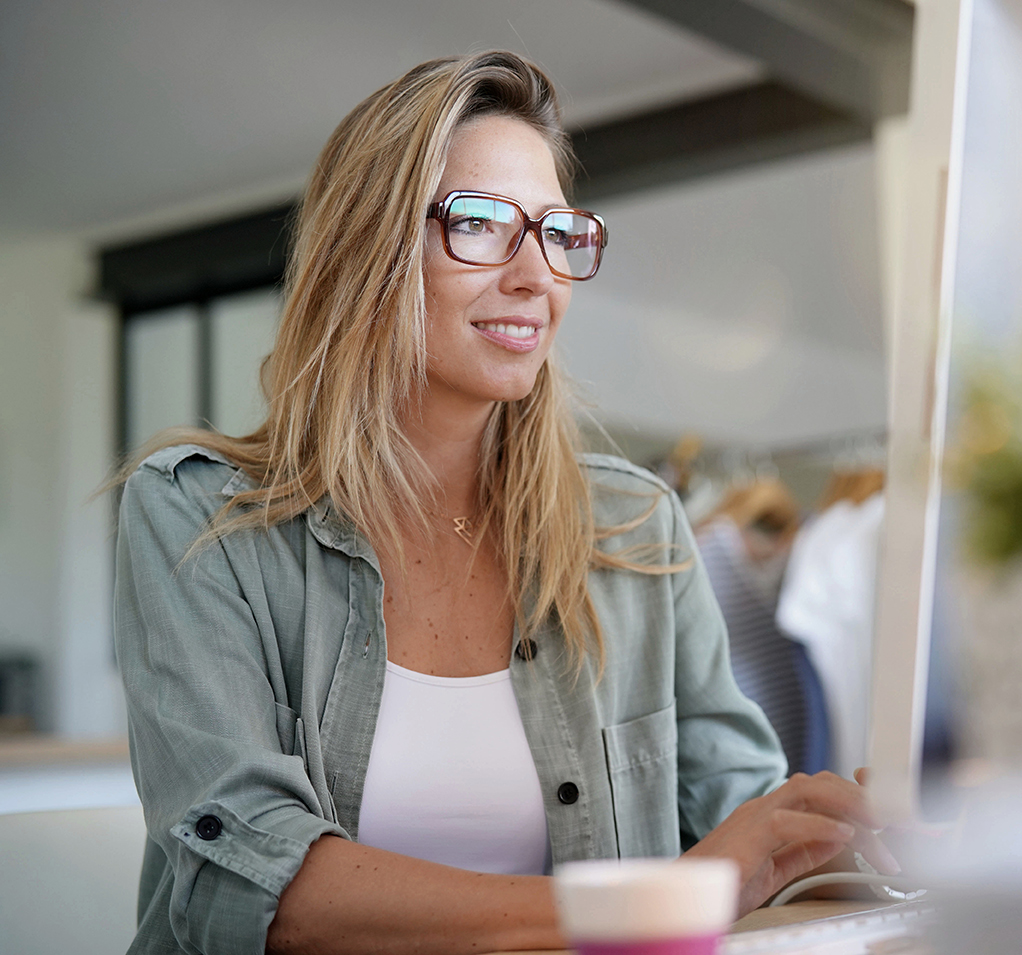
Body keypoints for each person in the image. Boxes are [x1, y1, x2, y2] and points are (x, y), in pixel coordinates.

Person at [113, 51, 893, 954]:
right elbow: (252, 884)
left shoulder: (637, 531)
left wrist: (844, 841)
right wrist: (658, 897)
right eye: (481, 225)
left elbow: (738, 820)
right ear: (368, 249)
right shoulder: (197, 518)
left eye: (559, 232)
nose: (537, 275)